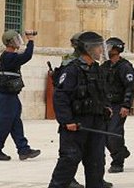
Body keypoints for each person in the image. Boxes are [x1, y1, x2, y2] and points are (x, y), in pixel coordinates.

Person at [48, 31, 112, 188]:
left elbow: (101, 93)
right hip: (76, 124)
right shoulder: (72, 70)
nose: (100, 51)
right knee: (69, 160)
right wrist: (67, 121)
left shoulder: (97, 69)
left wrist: (106, 108)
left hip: (96, 123)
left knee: (96, 162)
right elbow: (60, 97)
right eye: (97, 47)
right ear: (88, 48)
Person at [0, 30, 41, 161]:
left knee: (16, 123)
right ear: (10, 42)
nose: (18, 42)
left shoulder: (11, 56)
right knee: (3, 125)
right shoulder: (8, 57)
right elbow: (27, 56)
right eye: (16, 39)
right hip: (6, 97)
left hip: (11, 96)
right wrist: (31, 40)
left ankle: (23, 150)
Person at [102, 37, 134, 174]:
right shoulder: (104, 67)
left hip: (118, 105)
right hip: (106, 105)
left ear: (117, 49)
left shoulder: (125, 67)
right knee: (103, 135)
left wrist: (126, 105)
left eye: (110, 47)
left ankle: (118, 161)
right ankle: (121, 151)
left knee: (113, 133)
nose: (107, 50)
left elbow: (130, 87)